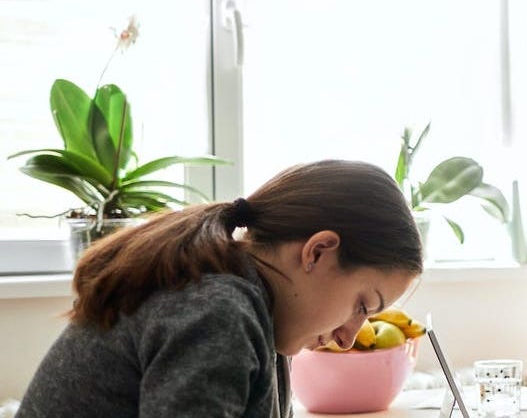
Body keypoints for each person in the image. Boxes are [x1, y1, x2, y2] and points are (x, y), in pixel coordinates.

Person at [17, 160, 425, 417]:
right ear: (317, 252)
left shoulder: (253, 307)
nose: (347, 337)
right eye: (362, 305)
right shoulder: (218, 313)